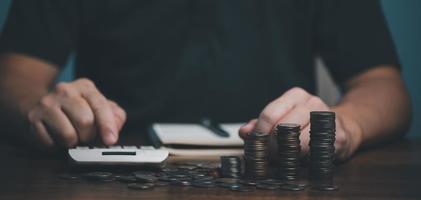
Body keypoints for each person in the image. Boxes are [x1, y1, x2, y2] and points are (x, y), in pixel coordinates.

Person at [0, 0, 411, 161]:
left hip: (278, 169)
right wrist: (36, 107)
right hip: (116, 169)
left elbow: (384, 85)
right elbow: (16, 77)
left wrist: (347, 124)